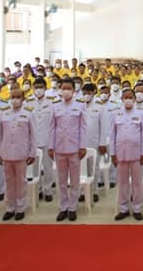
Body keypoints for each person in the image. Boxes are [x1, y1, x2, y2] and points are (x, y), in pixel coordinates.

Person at [109, 89, 143, 221]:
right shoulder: (116, 113)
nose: (128, 99)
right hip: (120, 154)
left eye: (130, 97)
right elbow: (112, 135)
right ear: (122, 99)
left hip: (137, 154)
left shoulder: (141, 113)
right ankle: (123, 208)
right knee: (122, 183)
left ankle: (137, 208)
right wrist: (112, 153)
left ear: (134, 99)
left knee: (137, 183)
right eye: (125, 97)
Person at [50, 79, 88, 222]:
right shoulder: (55, 106)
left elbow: (83, 127)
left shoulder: (80, 105)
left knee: (75, 180)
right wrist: (51, 146)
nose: (65, 90)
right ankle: (63, 207)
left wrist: (82, 146)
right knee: (61, 180)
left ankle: (72, 207)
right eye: (63, 88)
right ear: (60, 89)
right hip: (59, 147)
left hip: (74, 148)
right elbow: (52, 128)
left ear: (73, 90)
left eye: (68, 88)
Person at [0, 90, 36, 221]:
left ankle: (20, 207)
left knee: (21, 181)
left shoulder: (28, 113)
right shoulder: (4, 113)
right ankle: (10, 207)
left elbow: (33, 135)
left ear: (23, 98)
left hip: (21, 153)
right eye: (13, 97)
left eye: (18, 97)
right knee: (8, 182)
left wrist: (32, 153)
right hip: (7, 153)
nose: (15, 99)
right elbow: (0, 135)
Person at [29, 78, 56, 202]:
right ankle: (38, 190)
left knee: (47, 167)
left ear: (45, 88)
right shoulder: (28, 102)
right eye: (36, 87)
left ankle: (48, 190)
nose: (38, 89)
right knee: (34, 168)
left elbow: (55, 123)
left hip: (47, 140)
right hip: (33, 141)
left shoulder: (52, 102)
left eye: (41, 87)